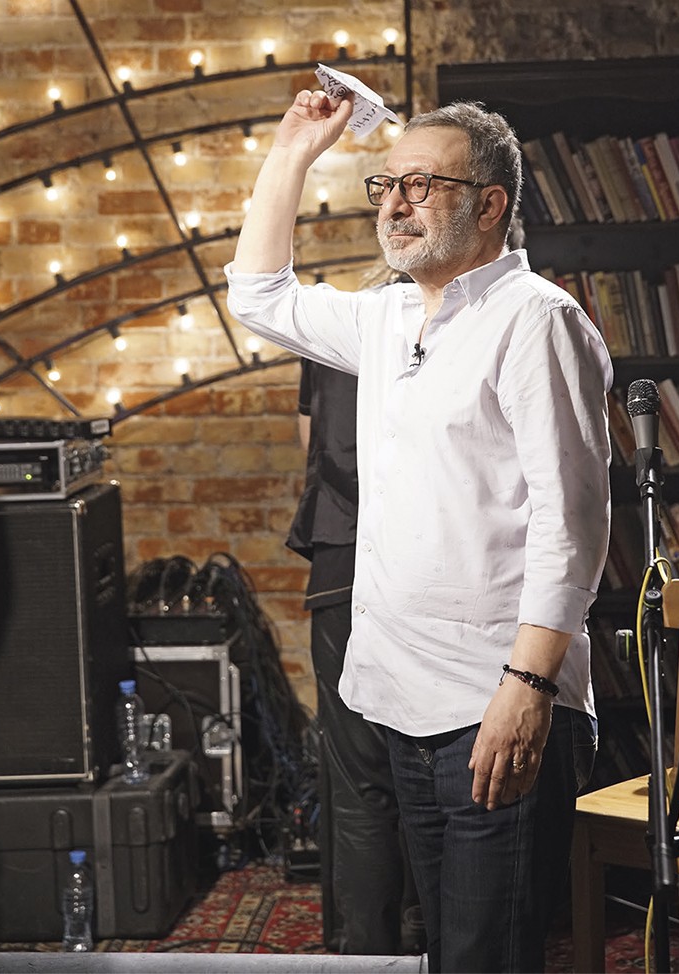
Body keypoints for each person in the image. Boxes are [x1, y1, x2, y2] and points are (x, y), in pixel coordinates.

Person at [225, 88, 612, 973]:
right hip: (402, 703)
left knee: (486, 956)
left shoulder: (536, 320)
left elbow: (572, 521)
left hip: (493, 699)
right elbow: (258, 295)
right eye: (386, 185)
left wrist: (528, 686)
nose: (395, 204)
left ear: (491, 204)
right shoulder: (389, 316)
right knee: (446, 951)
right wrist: (292, 152)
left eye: (423, 185)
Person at [286, 351, 418, 955]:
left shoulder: (332, 324)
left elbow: (311, 440)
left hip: (343, 559)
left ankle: (369, 956)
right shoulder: (467, 318)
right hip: (434, 564)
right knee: (444, 769)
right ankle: (435, 944)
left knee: (360, 780)